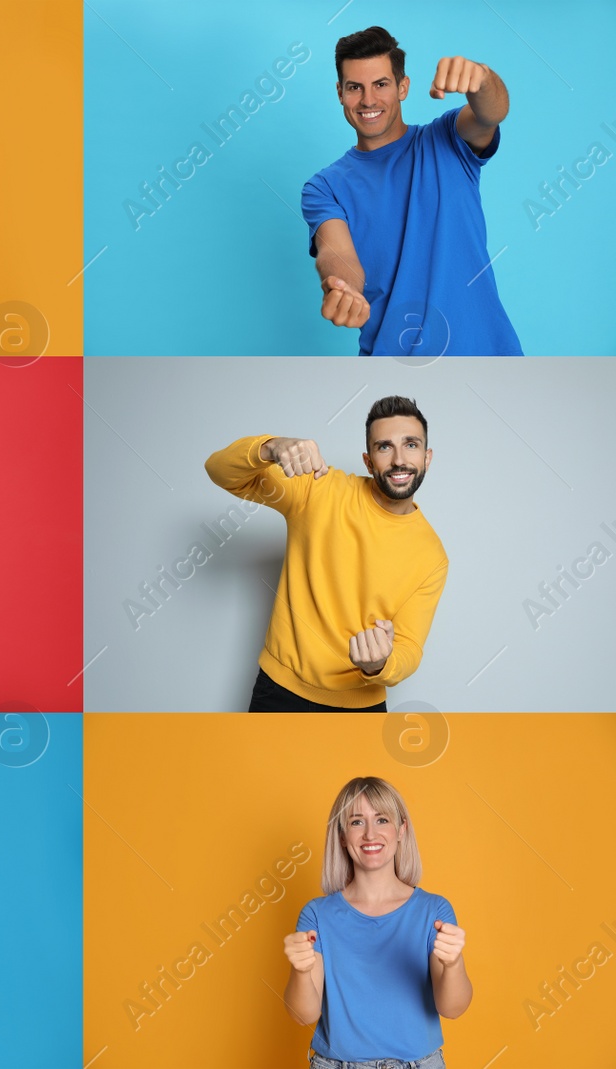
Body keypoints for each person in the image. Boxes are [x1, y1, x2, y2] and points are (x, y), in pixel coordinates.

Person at [204, 396, 447, 711]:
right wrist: (271, 447)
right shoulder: (319, 490)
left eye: (411, 445)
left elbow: (410, 648)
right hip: (278, 692)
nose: (399, 459)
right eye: (384, 447)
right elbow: (220, 471)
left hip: (361, 708)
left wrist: (379, 664)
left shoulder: (432, 555)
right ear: (369, 460)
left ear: (427, 457)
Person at [301, 26, 521, 356]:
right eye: (354, 88)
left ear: (403, 87)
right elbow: (338, 254)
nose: (368, 99)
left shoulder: (448, 140)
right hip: (395, 368)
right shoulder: (324, 186)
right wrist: (343, 288)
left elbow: (491, 112)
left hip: (487, 355)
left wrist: (482, 79)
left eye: (381, 84)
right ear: (340, 93)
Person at [283, 776, 469, 1068]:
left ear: (401, 831)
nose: (370, 834)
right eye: (357, 822)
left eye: (382, 819)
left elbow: (453, 1008)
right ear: (343, 836)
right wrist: (301, 970)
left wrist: (453, 964)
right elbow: (303, 1015)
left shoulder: (434, 911)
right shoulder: (317, 915)